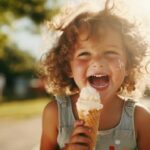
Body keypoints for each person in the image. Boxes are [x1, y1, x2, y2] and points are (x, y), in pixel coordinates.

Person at [40, 1, 150, 150]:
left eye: (110, 52)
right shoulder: (55, 114)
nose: (97, 62)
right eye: (84, 53)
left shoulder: (140, 118)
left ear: (129, 65)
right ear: (67, 67)